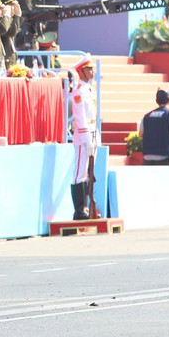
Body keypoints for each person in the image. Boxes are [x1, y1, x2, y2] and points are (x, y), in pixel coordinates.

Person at [68, 57, 101, 219]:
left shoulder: (89, 89)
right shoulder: (78, 91)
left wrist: (96, 136)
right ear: (81, 72)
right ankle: (79, 209)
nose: (92, 72)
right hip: (83, 136)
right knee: (80, 172)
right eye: (89, 69)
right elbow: (80, 117)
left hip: (92, 132)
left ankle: (88, 207)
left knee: (89, 172)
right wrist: (87, 137)